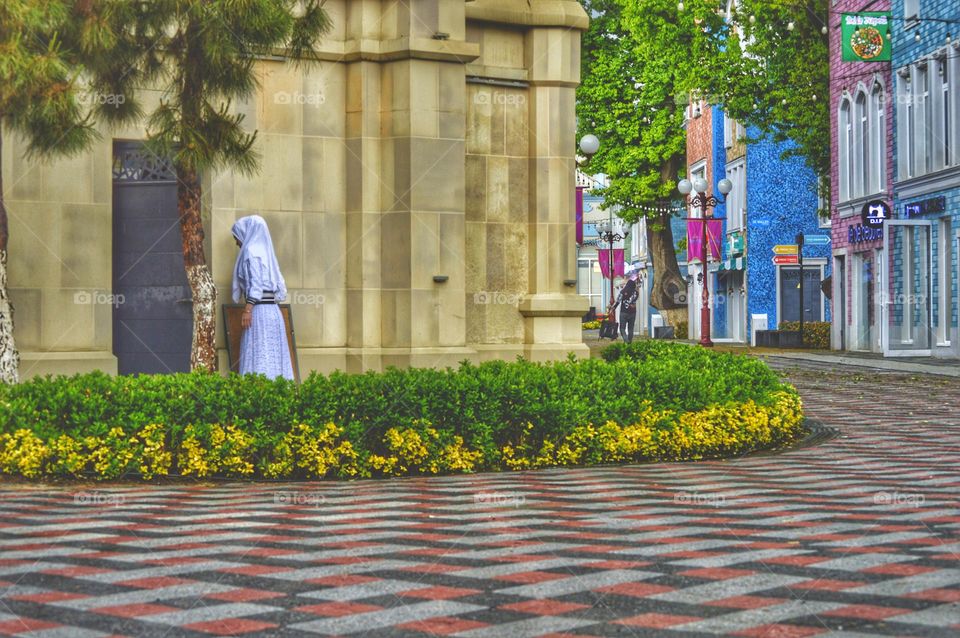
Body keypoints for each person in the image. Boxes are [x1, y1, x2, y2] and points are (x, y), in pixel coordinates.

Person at [231, 215, 294, 380]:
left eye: (236, 237)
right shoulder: (268, 254)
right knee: (272, 355)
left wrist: (247, 309)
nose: (237, 242)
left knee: (257, 353)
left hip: (258, 312)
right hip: (273, 312)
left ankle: (257, 392)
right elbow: (281, 289)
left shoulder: (250, 253)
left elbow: (256, 286)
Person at [611, 268, 640, 343]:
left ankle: (626, 340)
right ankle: (629, 342)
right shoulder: (636, 293)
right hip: (633, 312)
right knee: (631, 328)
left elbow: (618, 301)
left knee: (622, 328)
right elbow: (634, 299)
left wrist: (613, 308)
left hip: (624, 312)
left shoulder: (623, 291)